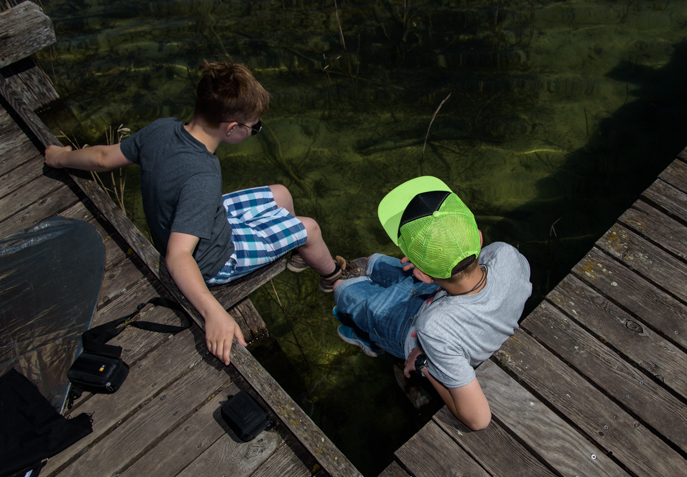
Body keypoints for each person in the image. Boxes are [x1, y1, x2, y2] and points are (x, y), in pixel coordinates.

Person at [45, 61, 360, 366]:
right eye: (255, 127)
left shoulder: (162, 128)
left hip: (201, 219)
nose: (255, 131)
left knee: (281, 193)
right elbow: (179, 256)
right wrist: (214, 313)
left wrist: (60, 157)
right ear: (232, 128)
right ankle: (331, 276)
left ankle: (294, 254)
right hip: (214, 261)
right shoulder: (203, 176)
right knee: (310, 228)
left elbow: (102, 157)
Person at [332, 176, 532, 430]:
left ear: (423, 274)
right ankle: (369, 324)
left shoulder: (433, 328)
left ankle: (371, 340)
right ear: (479, 239)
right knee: (372, 262)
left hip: (417, 335)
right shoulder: (505, 254)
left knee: (341, 288)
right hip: (441, 297)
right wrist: (432, 268)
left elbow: (479, 419)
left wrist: (422, 364)